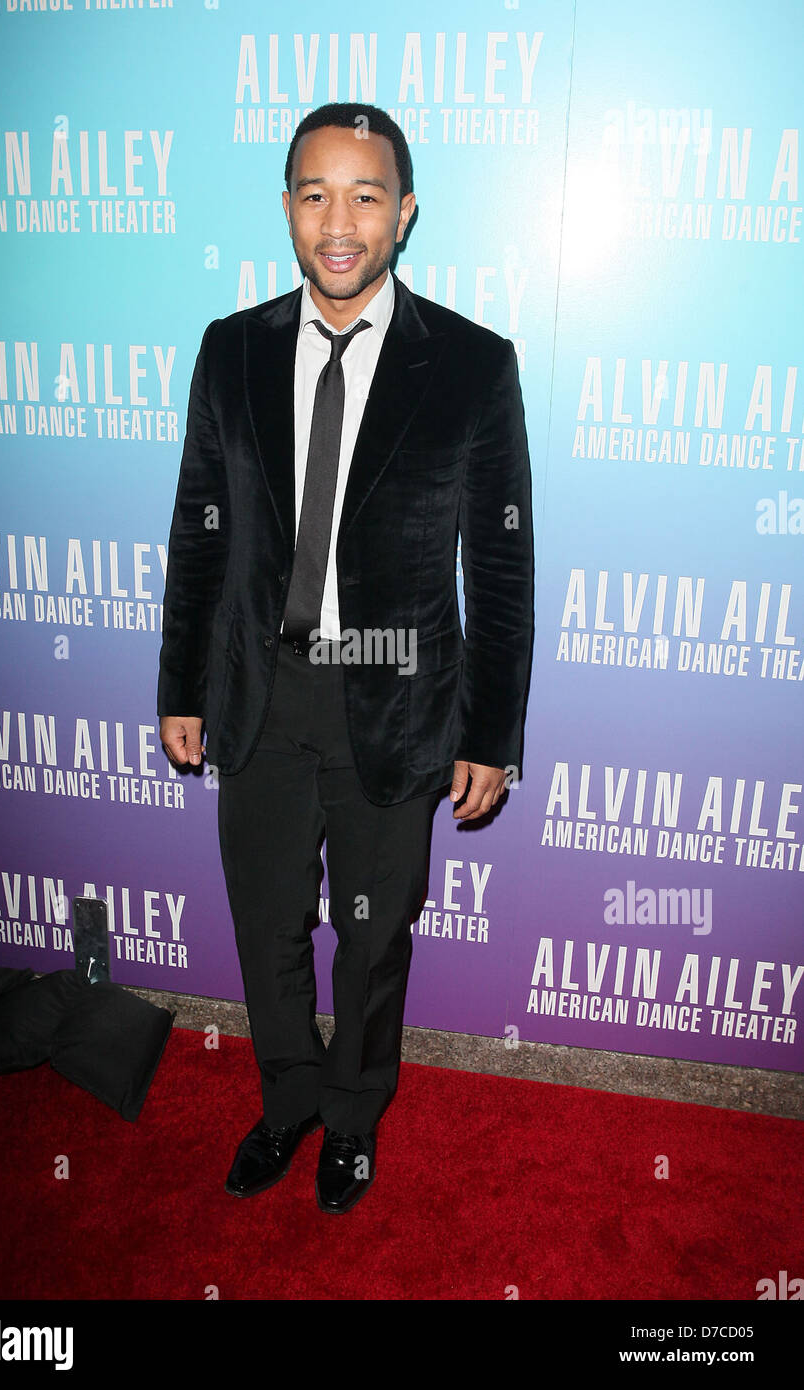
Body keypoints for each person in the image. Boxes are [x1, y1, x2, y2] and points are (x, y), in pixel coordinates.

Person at [158, 102, 534, 1214]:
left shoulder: (471, 365)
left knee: (371, 940)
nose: (338, 222)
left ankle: (356, 1116)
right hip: (260, 695)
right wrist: (181, 687)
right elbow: (199, 531)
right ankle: (287, 1099)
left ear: (404, 212)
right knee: (268, 924)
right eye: (315, 195)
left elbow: (500, 567)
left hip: (396, 705)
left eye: (365, 196)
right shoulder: (230, 349)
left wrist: (491, 733)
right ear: (286, 207)